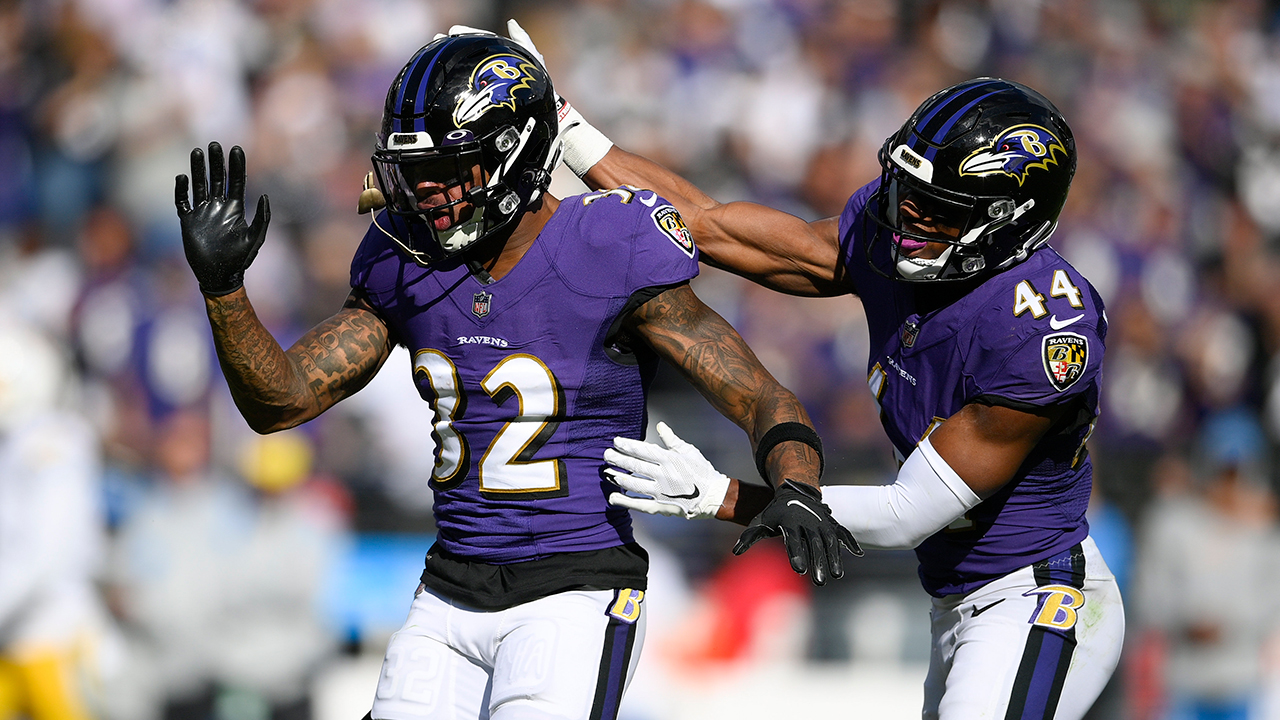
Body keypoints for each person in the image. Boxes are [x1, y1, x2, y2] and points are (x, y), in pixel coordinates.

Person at [173, 33, 857, 720]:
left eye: (447, 168)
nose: (425, 193)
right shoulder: (402, 257)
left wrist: (796, 485)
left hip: (573, 590)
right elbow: (281, 402)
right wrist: (224, 290)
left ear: (516, 154)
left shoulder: (608, 246)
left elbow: (760, 395)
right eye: (415, 171)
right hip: (448, 589)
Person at [508, 20, 1124, 720]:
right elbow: (705, 224)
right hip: (956, 599)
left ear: (1009, 220)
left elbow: (906, 513)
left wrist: (719, 497)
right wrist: (566, 133)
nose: (904, 216)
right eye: (904, 190)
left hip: (1037, 594)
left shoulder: (1041, 330)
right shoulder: (898, 240)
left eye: (936, 209)